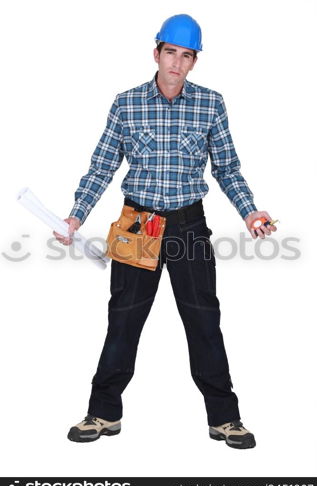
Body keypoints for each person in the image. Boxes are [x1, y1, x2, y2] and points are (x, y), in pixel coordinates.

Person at [54, 14, 277, 449]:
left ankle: (225, 419)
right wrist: (76, 216)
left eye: (186, 56)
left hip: (189, 225)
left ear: (195, 61)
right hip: (138, 225)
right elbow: (102, 167)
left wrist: (250, 213)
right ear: (156, 53)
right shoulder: (126, 104)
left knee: (204, 321)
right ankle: (102, 413)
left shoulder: (211, 104)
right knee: (123, 321)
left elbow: (227, 169)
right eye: (170, 53)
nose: (176, 63)